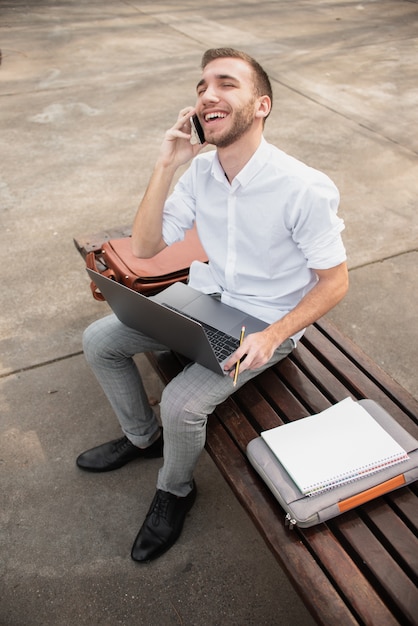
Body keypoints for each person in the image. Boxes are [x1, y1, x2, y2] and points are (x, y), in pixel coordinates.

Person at [76, 48, 349, 562]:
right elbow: (147, 247)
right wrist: (166, 165)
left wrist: (272, 335)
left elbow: (334, 283)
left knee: (183, 403)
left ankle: (176, 490)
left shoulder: (303, 187)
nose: (207, 95)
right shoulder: (201, 173)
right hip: (206, 301)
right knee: (99, 341)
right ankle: (141, 438)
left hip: (264, 324)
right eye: (201, 87)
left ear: (261, 105)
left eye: (226, 83)